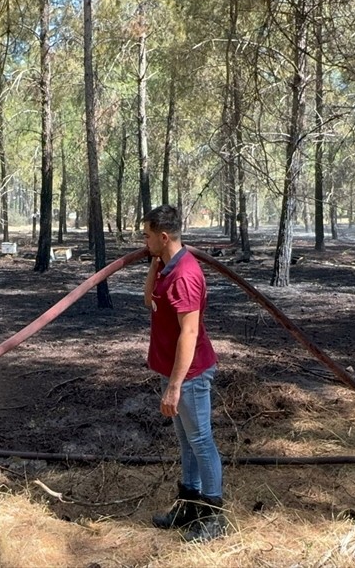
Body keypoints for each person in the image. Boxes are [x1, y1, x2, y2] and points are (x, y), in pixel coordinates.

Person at [141, 204, 229, 542]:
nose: (144, 241)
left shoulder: (186, 275)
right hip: (175, 371)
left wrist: (175, 386)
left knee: (202, 442)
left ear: (164, 237)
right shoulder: (167, 266)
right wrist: (154, 261)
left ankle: (214, 516)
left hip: (190, 374)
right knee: (187, 442)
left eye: (148, 237)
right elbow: (149, 298)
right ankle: (189, 506)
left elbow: (189, 334)